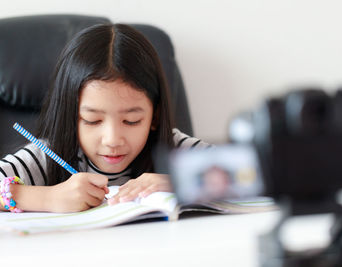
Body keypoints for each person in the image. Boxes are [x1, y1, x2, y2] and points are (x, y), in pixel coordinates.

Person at [0, 23, 209, 213]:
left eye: (131, 121)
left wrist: (179, 182)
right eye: (92, 120)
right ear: (71, 115)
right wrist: (47, 198)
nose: (112, 140)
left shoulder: (172, 148)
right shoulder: (48, 156)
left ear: (154, 116)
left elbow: (241, 173)